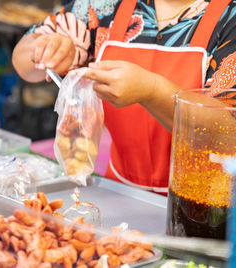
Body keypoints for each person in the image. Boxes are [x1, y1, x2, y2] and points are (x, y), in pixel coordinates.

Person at [12, 0, 236, 193]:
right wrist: (47, 49)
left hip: (207, 211)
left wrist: (151, 91)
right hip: (121, 194)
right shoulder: (107, 7)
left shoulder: (230, 17)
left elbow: (228, 131)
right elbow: (22, 59)